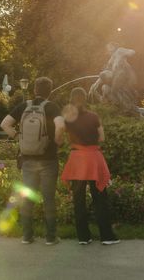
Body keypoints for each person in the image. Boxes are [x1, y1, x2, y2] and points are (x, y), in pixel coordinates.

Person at [0, 76, 62, 245]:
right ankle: (51, 237)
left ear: (35, 90)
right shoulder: (51, 107)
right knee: (48, 198)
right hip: (48, 159)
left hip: (27, 159)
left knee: (27, 198)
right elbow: (61, 125)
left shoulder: (24, 106)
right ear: (49, 91)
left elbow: (4, 124)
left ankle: (27, 236)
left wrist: (18, 136)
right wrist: (57, 141)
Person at [56, 87, 119, 245]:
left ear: (71, 99)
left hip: (77, 160)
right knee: (100, 198)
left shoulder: (67, 119)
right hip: (93, 159)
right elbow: (102, 138)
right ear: (85, 99)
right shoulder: (93, 116)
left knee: (78, 199)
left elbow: (59, 137)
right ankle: (106, 236)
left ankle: (83, 237)